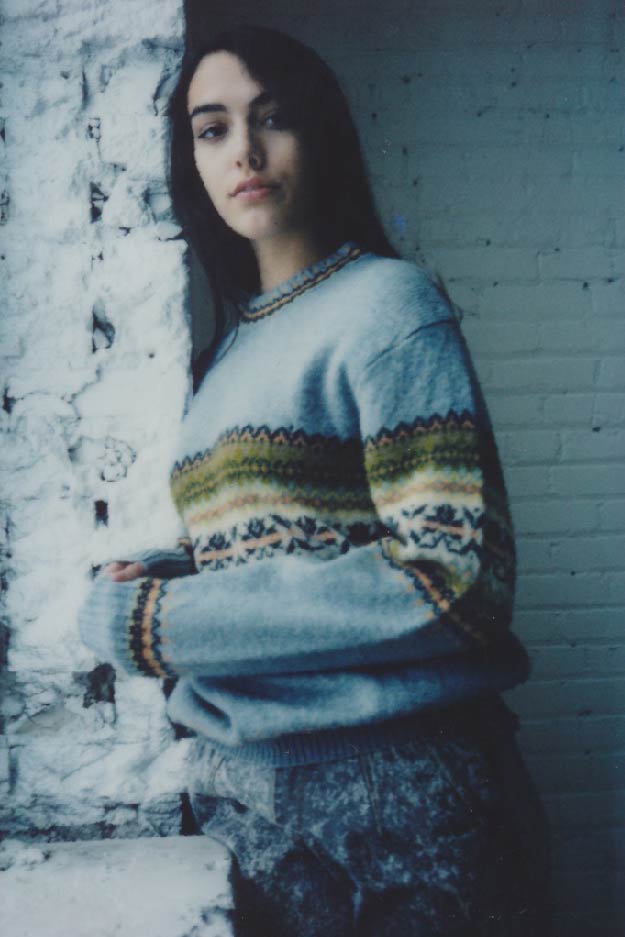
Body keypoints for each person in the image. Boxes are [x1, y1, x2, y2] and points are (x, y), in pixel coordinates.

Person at [78, 24, 551, 937]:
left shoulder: (388, 304)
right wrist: (170, 574)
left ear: (320, 135)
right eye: (212, 129)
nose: (244, 153)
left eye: (273, 118)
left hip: (399, 791)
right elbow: (297, 543)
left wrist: (163, 624)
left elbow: (456, 580)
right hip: (245, 790)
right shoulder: (222, 356)